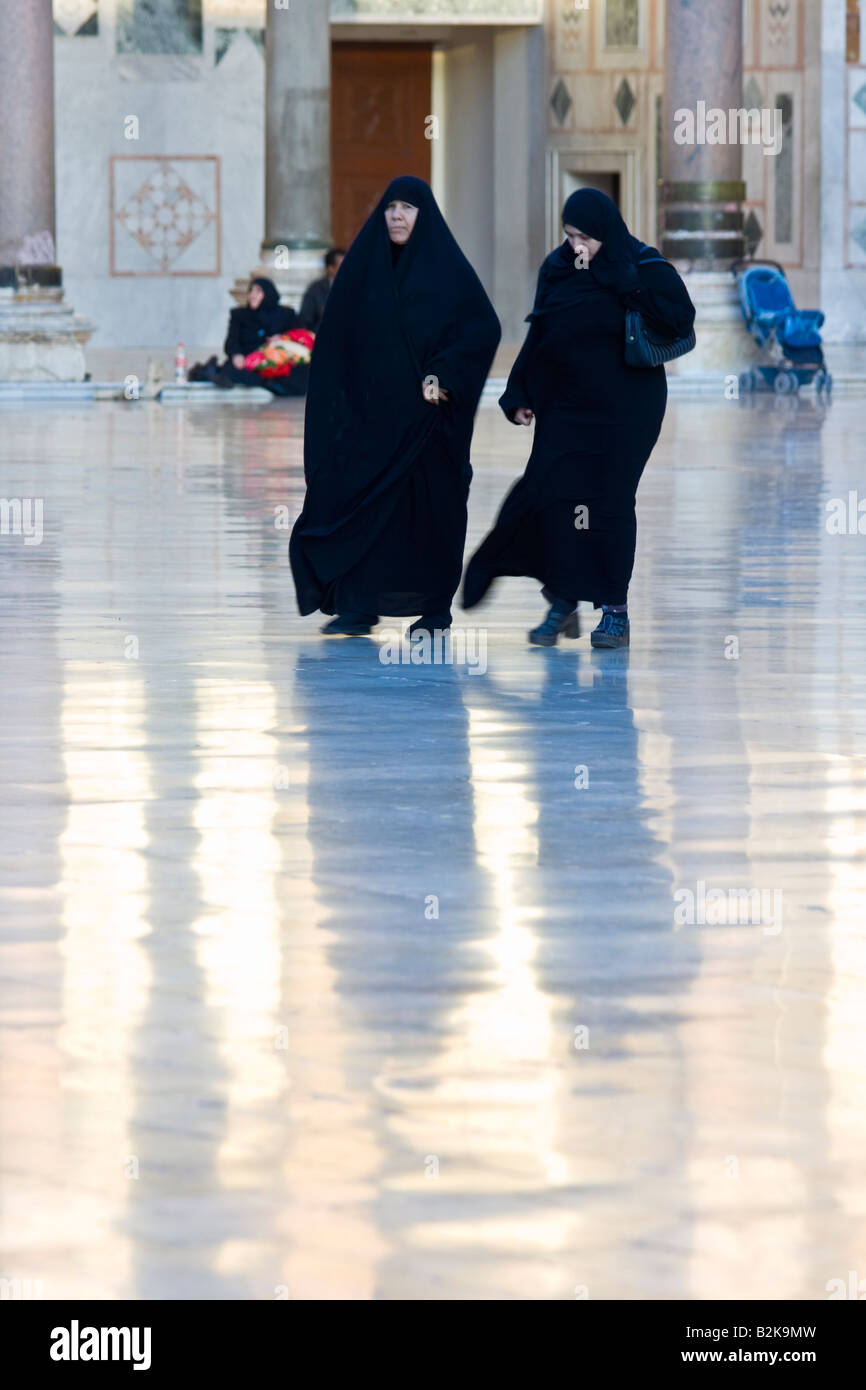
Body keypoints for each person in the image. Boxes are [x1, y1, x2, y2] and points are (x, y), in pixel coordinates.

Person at [462, 188, 695, 649]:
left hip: (628, 407)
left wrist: (629, 286)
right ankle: (562, 603)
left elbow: (680, 319)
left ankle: (615, 612)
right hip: (565, 405)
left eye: (586, 238)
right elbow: (542, 330)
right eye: (570, 236)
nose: (577, 247)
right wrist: (520, 390)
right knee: (554, 497)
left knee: (608, 503)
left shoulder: (643, 266)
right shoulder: (557, 268)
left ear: (606, 231)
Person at [290, 175, 501, 637]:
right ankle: (358, 603)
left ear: (423, 215)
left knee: (430, 511)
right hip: (370, 420)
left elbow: (481, 329)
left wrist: (443, 375)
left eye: (408, 208)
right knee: (362, 506)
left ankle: (433, 608)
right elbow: (336, 342)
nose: (398, 216)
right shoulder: (365, 270)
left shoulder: (447, 272)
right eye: (391, 207)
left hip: (429, 424)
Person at [215, 277, 309, 396]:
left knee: (300, 371)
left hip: (276, 360)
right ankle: (268, 383)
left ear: (268, 294)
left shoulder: (285, 314)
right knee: (231, 369)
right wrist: (236, 354)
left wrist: (281, 339)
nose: (253, 295)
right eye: (251, 291)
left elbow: (299, 336)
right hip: (250, 361)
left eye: (258, 291)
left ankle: (272, 383)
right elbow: (231, 341)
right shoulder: (239, 315)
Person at [299, 248, 346, 333]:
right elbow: (305, 320)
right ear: (330, 268)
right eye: (343, 265)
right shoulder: (316, 289)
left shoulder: (357, 287)